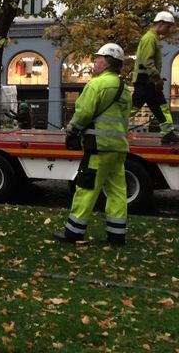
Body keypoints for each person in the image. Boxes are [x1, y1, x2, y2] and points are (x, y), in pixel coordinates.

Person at [54, 43, 132, 246]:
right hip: (118, 148)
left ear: (107, 63)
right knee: (117, 192)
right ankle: (117, 236)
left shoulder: (96, 85)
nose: (94, 61)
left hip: (98, 147)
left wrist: (72, 130)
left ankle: (74, 233)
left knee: (87, 188)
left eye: (97, 58)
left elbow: (84, 113)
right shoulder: (125, 89)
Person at [131, 11, 179, 144]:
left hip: (147, 80)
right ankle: (112, 127)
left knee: (161, 106)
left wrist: (156, 79)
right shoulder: (150, 38)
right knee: (134, 107)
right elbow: (147, 61)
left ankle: (168, 133)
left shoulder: (153, 37)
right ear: (161, 24)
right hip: (145, 81)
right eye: (168, 27)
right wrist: (157, 78)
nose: (169, 30)